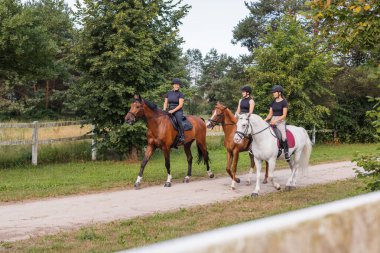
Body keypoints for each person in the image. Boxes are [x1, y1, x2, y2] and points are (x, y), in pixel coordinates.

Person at [263, 85, 290, 161]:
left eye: (274, 92)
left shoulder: (284, 102)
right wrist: (264, 120)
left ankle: (286, 152)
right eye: (273, 92)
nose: (273, 94)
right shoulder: (273, 101)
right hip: (272, 120)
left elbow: (284, 115)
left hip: (280, 121)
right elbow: (270, 114)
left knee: (283, 137)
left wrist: (276, 121)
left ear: (279, 93)